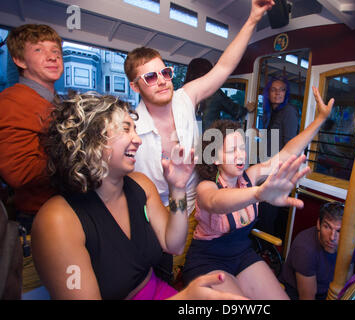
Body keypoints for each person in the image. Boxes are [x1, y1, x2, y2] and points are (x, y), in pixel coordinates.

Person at [32, 92, 246, 300]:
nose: (138, 139)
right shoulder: (57, 220)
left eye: (134, 129)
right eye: (126, 129)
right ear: (91, 140)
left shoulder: (141, 185)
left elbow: (174, 245)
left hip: (158, 290)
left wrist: (178, 188)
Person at [124, 0, 276, 275]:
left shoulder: (184, 98)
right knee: (161, 278)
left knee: (193, 278)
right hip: (155, 222)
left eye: (165, 72)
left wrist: (253, 19)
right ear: (135, 86)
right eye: (150, 77)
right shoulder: (129, 128)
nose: (161, 80)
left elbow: (223, 67)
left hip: (198, 211)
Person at [182, 86, 334, 299]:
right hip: (209, 260)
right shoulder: (206, 186)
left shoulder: (249, 176)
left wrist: (320, 119)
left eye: (242, 148)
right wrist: (258, 194)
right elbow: (216, 201)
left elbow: (288, 152)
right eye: (232, 150)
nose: (240, 155)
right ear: (215, 158)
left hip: (243, 254)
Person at [0, 24, 63, 232]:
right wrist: (79, 158)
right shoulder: (11, 102)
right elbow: (19, 172)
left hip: (65, 210)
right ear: (19, 60)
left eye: (55, 51)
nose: (53, 57)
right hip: (39, 218)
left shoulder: (56, 102)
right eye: (39, 50)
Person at [256, 76, 301, 240]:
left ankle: (267, 253)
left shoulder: (288, 111)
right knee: (260, 214)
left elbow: (290, 146)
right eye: (274, 89)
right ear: (268, 93)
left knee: (267, 217)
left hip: (276, 172)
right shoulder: (270, 112)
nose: (278, 93)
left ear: (286, 93)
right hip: (265, 168)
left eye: (282, 89)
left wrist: (278, 172)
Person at [278, 201, 344, 300]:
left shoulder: (349, 243)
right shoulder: (305, 249)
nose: (332, 237)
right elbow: (307, 297)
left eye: (339, 231)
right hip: (296, 294)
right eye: (327, 227)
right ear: (318, 224)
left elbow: (346, 282)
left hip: (329, 293)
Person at [184, 58, 256, 131]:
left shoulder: (183, 92)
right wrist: (246, 109)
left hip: (188, 138)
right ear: (209, 72)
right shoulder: (214, 93)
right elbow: (236, 111)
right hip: (210, 139)